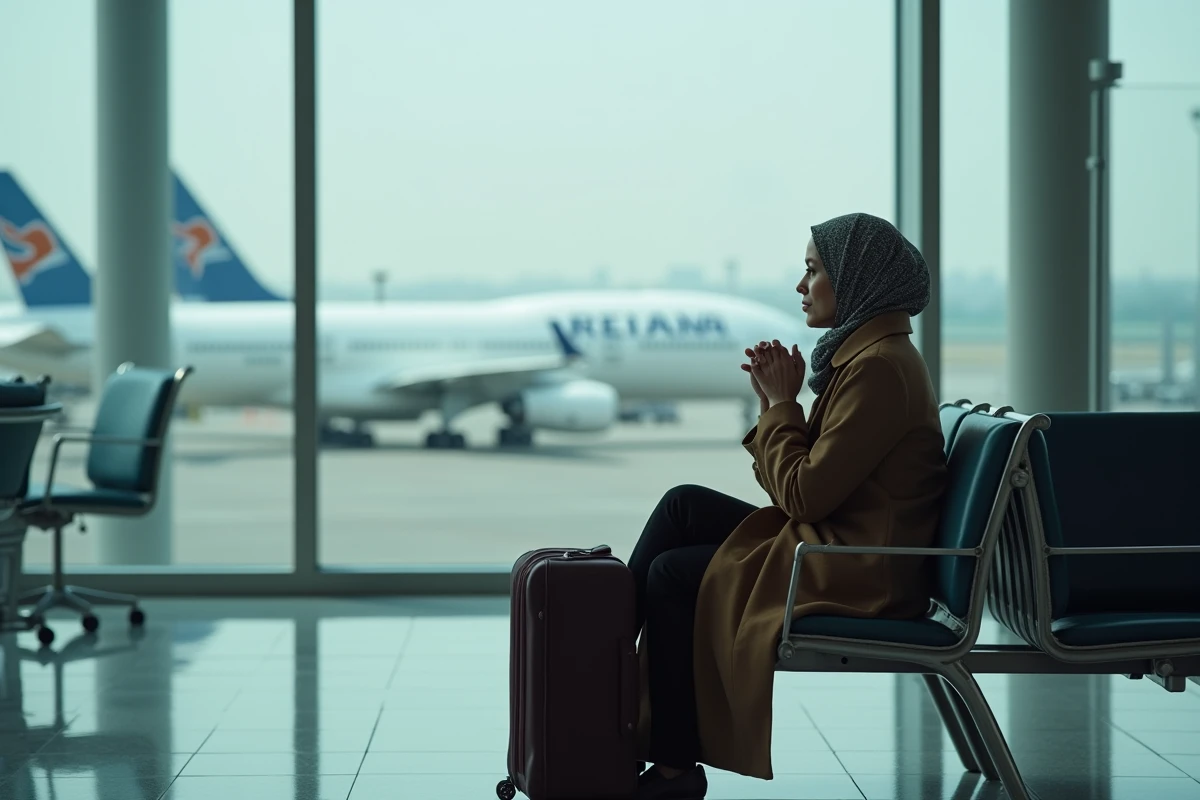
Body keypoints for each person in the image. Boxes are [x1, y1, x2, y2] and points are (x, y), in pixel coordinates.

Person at [629, 212, 948, 799]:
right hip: (838, 543)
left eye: (813, 270)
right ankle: (603, 644)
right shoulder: (869, 359)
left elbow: (801, 493)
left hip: (857, 568)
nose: (801, 287)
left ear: (855, 280)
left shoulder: (877, 370)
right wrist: (780, 408)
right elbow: (804, 490)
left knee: (672, 576)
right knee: (683, 507)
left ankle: (664, 758)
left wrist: (781, 404)